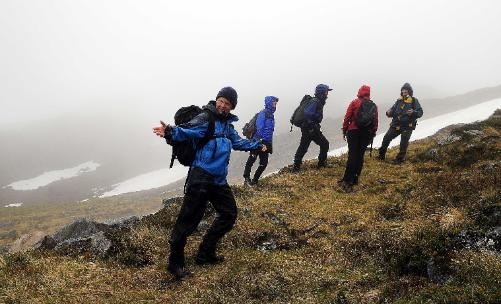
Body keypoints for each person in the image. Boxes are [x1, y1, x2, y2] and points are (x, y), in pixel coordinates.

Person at [152, 87, 267, 280]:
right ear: (216, 100)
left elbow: (238, 142)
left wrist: (258, 145)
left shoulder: (228, 126)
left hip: (218, 180)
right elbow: (187, 131)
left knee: (229, 213)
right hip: (200, 177)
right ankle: (175, 263)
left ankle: (205, 253)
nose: (223, 105)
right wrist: (170, 132)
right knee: (188, 221)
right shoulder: (206, 118)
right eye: (221, 100)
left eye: (227, 103)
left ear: (231, 107)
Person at [339, 85, 378, 192]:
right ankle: (355, 179)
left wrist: (344, 130)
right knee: (360, 155)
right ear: (368, 93)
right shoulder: (373, 105)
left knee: (352, 155)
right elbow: (375, 121)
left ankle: (347, 180)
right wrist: (373, 133)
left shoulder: (354, 102)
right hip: (366, 134)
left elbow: (347, 117)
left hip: (353, 131)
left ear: (360, 92)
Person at [377, 83, 423, 164]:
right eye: (403, 90)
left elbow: (420, 112)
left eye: (406, 90)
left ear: (409, 91)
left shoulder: (414, 101)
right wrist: (388, 113)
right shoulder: (398, 101)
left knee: (403, 142)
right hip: (396, 125)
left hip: (407, 126)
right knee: (386, 138)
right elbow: (392, 111)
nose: (404, 91)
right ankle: (381, 155)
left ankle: (399, 159)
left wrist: (413, 112)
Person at [292, 84, 332, 172]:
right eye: (326, 92)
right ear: (322, 93)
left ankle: (296, 167)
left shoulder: (317, 101)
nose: (327, 94)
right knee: (325, 144)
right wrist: (312, 125)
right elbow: (307, 113)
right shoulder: (315, 101)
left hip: (308, 128)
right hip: (311, 128)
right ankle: (321, 164)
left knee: (303, 146)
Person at [243, 96, 278, 186]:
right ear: (269, 102)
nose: (275, 103)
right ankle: (246, 180)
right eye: (274, 102)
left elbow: (269, 131)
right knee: (252, 159)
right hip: (257, 141)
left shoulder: (271, 115)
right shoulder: (263, 113)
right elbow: (259, 128)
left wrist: (268, 143)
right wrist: (261, 142)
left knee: (264, 163)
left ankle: (255, 180)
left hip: (266, 142)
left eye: (275, 102)